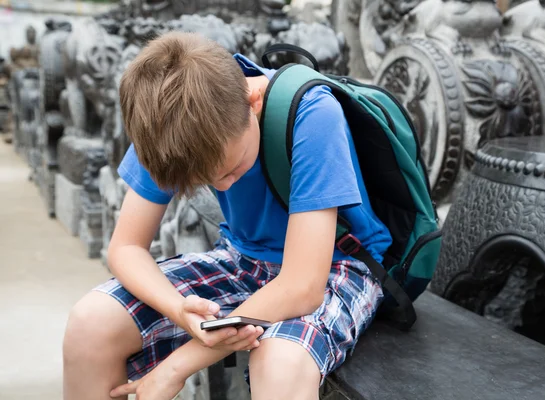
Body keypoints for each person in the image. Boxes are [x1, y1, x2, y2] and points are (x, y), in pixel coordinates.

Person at [62, 31, 392, 400]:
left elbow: (302, 287)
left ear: (252, 100)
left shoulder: (312, 113)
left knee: (280, 362)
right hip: (243, 257)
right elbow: (125, 248)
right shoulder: (165, 121)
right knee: (90, 324)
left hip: (335, 266)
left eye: (232, 170)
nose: (221, 185)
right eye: (205, 181)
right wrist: (180, 309)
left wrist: (177, 366)